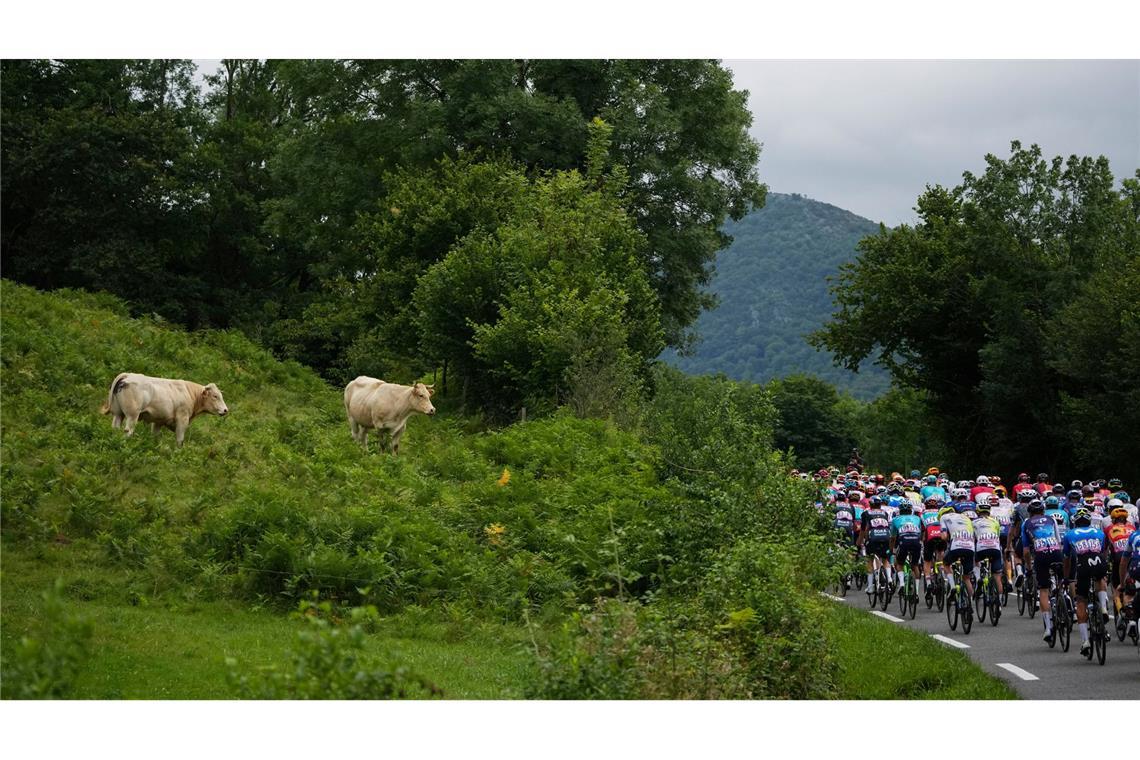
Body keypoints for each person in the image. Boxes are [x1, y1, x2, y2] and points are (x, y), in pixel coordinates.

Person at [1062, 508, 1110, 657]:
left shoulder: (1069, 534)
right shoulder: (1100, 533)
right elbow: (1103, 551)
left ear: (1075, 522)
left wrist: (1066, 577)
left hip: (1082, 565)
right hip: (1099, 561)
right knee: (1100, 578)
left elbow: (1067, 559)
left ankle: (1085, 641)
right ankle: (1103, 608)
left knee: (1081, 601)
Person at [1022, 497, 1064, 643]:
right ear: (1043, 510)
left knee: (1044, 591)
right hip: (1056, 551)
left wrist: (1028, 568)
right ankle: (1066, 602)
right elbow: (1059, 541)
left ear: (1029, 512)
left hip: (1040, 554)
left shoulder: (1026, 523)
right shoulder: (1051, 519)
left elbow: (1026, 551)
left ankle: (1048, 628)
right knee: (1062, 581)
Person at [972, 499, 1005, 612]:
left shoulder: (974, 522)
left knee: (974, 561)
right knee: (997, 577)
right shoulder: (995, 522)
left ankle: (978, 579)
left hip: (981, 548)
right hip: (995, 548)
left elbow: (973, 538)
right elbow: (998, 535)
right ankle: (999, 603)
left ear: (978, 511)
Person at [940, 504, 976, 604]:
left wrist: (947, 539)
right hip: (970, 546)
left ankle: (952, 587)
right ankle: (971, 604)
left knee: (946, 563)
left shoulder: (944, 517)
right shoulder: (966, 518)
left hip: (956, 545)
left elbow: (943, 537)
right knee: (966, 577)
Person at [858, 495, 893, 595]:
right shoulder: (884, 513)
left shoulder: (866, 513)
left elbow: (864, 529)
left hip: (873, 537)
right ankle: (889, 579)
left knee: (870, 559)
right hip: (886, 536)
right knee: (885, 559)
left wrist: (861, 541)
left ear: (870, 504)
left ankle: (870, 587)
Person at [1105, 503, 1135, 618]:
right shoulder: (1132, 528)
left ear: (1113, 519)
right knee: (1131, 586)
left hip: (1118, 558)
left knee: (1116, 587)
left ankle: (1120, 613)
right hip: (1132, 558)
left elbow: (1105, 549)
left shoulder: (1109, 528)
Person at [890, 500, 924, 590]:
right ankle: (916, 592)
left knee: (899, 563)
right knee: (915, 565)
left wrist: (892, 550)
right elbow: (920, 533)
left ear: (900, 510)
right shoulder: (917, 518)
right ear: (911, 510)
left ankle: (901, 583)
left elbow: (893, 538)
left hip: (903, 541)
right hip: (916, 541)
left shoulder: (895, 519)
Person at [920, 495, 946, 594]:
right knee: (941, 552)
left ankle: (928, 581)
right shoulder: (941, 513)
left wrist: (922, 541)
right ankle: (942, 572)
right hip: (940, 535)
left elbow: (922, 530)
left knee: (927, 561)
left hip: (930, 536)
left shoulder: (922, 514)